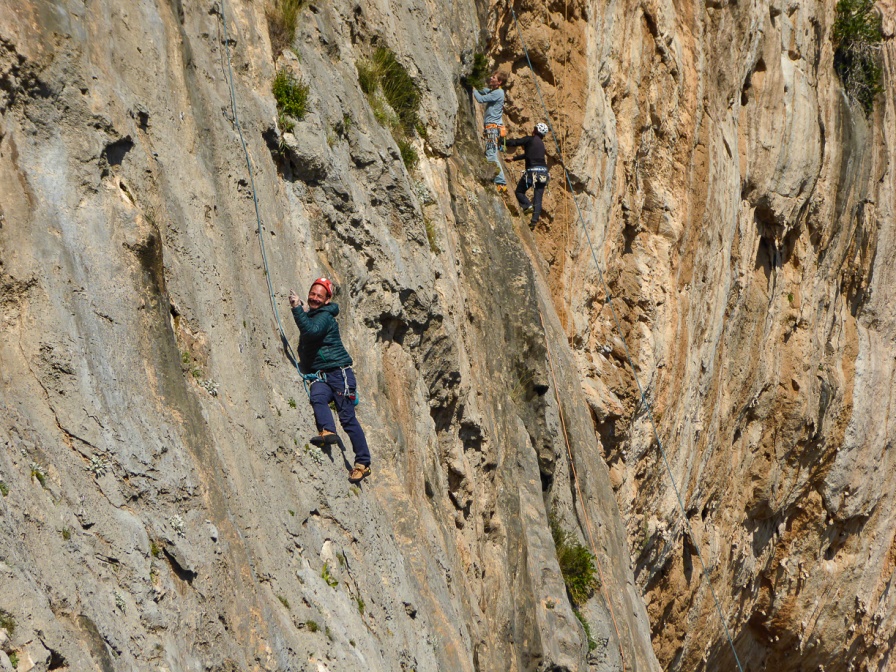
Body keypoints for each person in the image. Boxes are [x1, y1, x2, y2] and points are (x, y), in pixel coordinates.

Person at [289, 278, 371, 484]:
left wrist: (297, 309)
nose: (315, 298)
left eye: (319, 296)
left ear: (327, 300)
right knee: (317, 396)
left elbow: (312, 331)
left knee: (347, 418)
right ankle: (328, 430)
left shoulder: (325, 316)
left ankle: (363, 463)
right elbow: (311, 324)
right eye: (312, 294)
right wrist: (306, 310)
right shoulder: (318, 314)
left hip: (339, 374)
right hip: (323, 375)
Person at [506, 122, 550, 227]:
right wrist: (513, 158)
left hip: (532, 172)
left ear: (535, 130)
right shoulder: (541, 145)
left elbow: (516, 142)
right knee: (538, 198)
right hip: (544, 173)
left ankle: (527, 205)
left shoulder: (530, 139)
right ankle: (534, 221)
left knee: (519, 192)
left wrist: (502, 141)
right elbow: (528, 155)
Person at [473, 71, 508, 191]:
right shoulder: (496, 91)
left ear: (499, 82)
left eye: (494, 77)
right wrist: (476, 85)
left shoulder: (498, 93)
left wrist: (471, 88)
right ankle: (500, 181)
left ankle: (501, 183)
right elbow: (485, 91)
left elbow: (480, 99)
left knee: (491, 154)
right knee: (492, 153)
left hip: (493, 128)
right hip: (494, 128)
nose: (491, 78)